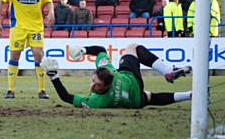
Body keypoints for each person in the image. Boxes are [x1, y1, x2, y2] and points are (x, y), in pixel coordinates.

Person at [41, 44, 191, 109]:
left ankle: (189, 94)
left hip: (135, 101)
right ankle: (169, 74)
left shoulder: (96, 101)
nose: (93, 86)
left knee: (150, 97)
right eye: (93, 81)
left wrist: (54, 76)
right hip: (131, 82)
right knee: (133, 48)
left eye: (97, 84)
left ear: (107, 85)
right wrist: (84, 50)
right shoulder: (108, 70)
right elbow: (100, 49)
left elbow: (66, 97)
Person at [0, 0, 54, 100]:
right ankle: (10, 90)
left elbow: (49, 1)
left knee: (38, 55)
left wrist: (51, 12)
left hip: (36, 27)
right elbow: (0, 2)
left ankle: (42, 90)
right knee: (15, 55)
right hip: (18, 26)